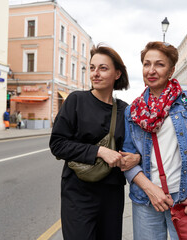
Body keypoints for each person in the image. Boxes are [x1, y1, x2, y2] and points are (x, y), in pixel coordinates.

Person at [123, 41, 187, 240]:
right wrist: (151, 190)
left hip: (186, 198)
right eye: (146, 64)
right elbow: (127, 159)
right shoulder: (132, 111)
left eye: (159, 64)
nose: (151, 70)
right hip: (146, 199)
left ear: (171, 70)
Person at [49, 44, 140, 240]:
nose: (95, 73)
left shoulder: (126, 110)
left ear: (117, 74)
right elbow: (57, 144)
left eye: (103, 68)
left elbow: (135, 147)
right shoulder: (76, 101)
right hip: (78, 192)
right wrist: (99, 151)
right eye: (92, 68)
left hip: (111, 193)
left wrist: (135, 157)